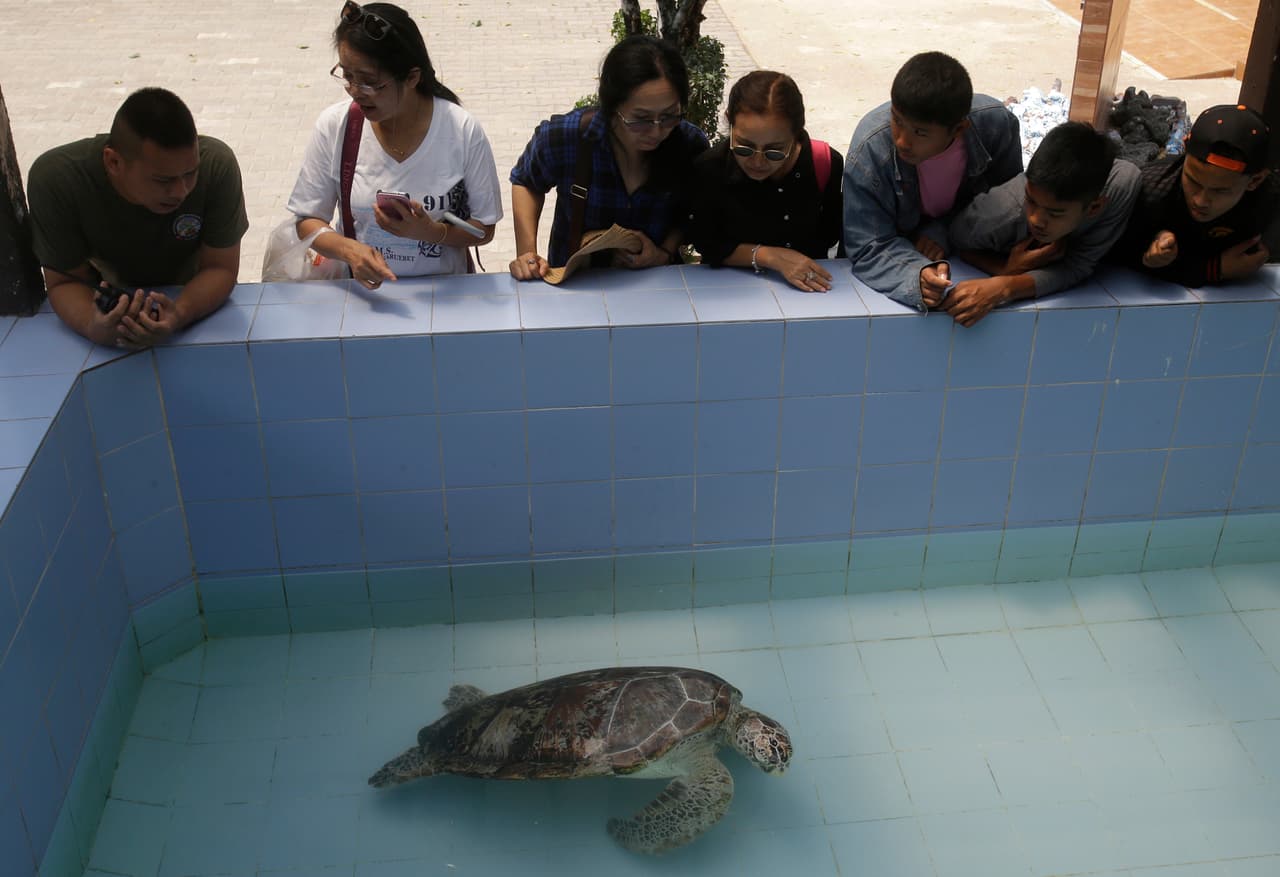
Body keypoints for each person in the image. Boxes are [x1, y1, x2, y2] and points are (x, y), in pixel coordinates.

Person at [288, 1, 502, 289]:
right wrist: (350, 251)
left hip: (448, 298)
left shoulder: (461, 130)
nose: (355, 91)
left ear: (412, 77)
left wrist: (430, 231)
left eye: (369, 82)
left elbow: (483, 229)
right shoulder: (336, 126)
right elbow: (308, 220)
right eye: (348, 76)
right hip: (364, 298)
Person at [26, 87, 247, 349]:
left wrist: (179, 314)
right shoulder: (58, 181)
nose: (181, 191)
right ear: (113, 162)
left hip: (193, 290)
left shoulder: (217, 165)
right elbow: (64, 281)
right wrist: (91, 325)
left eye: (190, 173)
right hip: (105, 292)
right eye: (163, 180)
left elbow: (220, 268)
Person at [508, 35, 709, 280]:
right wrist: (528, 253)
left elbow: (693, 212)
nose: (657, 131)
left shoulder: (690, 145)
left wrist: (664, 252)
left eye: (669, 116)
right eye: (641, 119)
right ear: (612, 106)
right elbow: (527, 181)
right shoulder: (568, 137)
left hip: (657, 283)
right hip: (577, 284)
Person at [842, 51, 1022, 310]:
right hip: (902, 257)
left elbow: (1006, 205)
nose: (902, 140)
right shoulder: (871, 149)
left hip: (966, 253)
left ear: (959, 129)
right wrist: (916, 276)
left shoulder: (996, 127)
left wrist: (942, 231)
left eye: (920, 132)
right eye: (897, 120)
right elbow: (868, 244)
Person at [943, 121, 1140, 326]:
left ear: (1094, 208)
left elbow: (1078, 265)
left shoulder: (1121, 189)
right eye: (1031, 201)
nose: (1036, 219)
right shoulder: (1002, 212)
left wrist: (1006, 286)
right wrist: (1001, 269)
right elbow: (955, 239)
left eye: (1055, 213)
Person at [688, 71, 843, 291]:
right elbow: (707, 242)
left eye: (774, 151)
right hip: (726, 292)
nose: (757, 161)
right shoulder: (712, 167)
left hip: (807, 292)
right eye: (744, 147)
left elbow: (829, 233)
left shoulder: (824, 164)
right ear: (729, 122)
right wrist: (771, 257)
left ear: (796, 134)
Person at [1111, 103, 1277, 286]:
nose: (1200, 201)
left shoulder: (1269, 202)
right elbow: (1110, 254)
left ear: (1255, 181)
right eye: (1193, 181)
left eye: (1220, 190)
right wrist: (1213, 270)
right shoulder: (1151, 190)